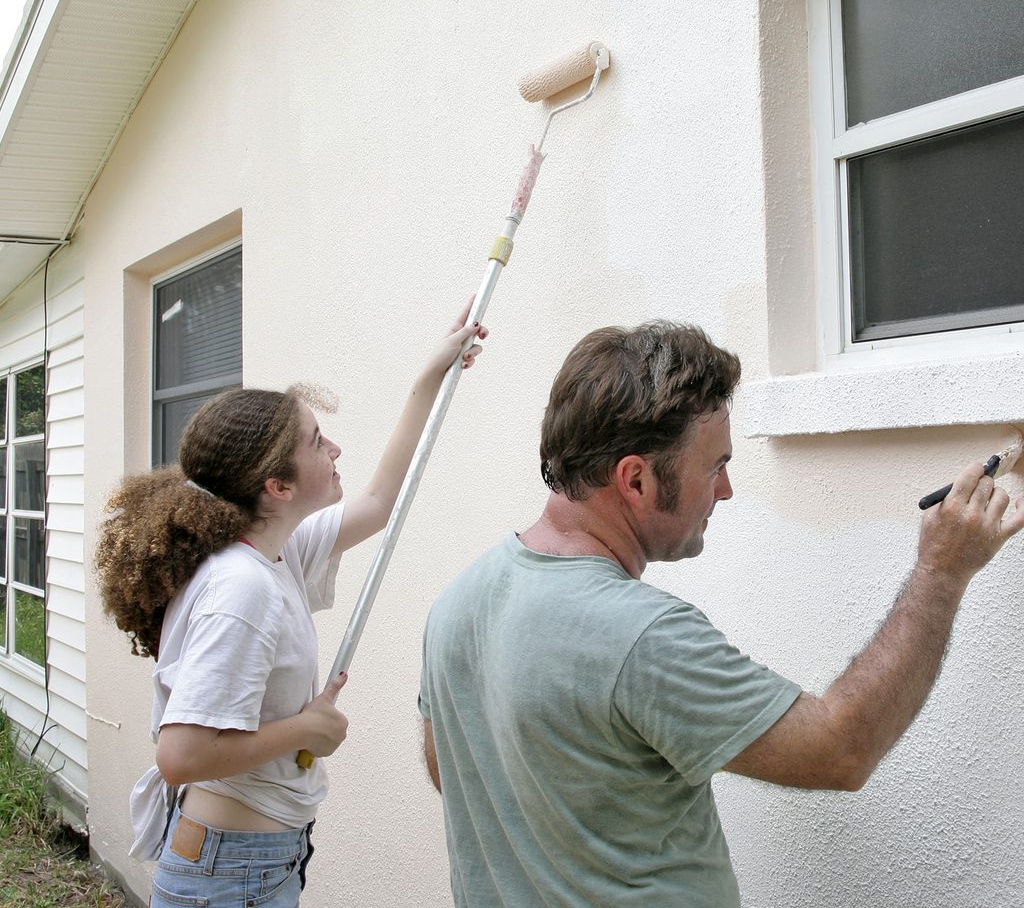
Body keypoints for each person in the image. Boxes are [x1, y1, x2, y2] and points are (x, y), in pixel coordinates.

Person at [419, 320, 1024, 908]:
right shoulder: (641, 638)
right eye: (714, 466)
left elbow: (450, 767)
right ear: (636, 479)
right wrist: (941, 572)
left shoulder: (458, 604)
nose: (727, 489)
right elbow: (843, 749)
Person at [96, 302, 486, 908]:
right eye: (315, 441)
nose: (334, 448)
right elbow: (180, 755)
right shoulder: (241, 588)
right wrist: (303, 729)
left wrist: (430, 376)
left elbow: (381, 500)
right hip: (231, 875)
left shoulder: (273, 550)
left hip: (245, 864)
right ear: (276, 487)